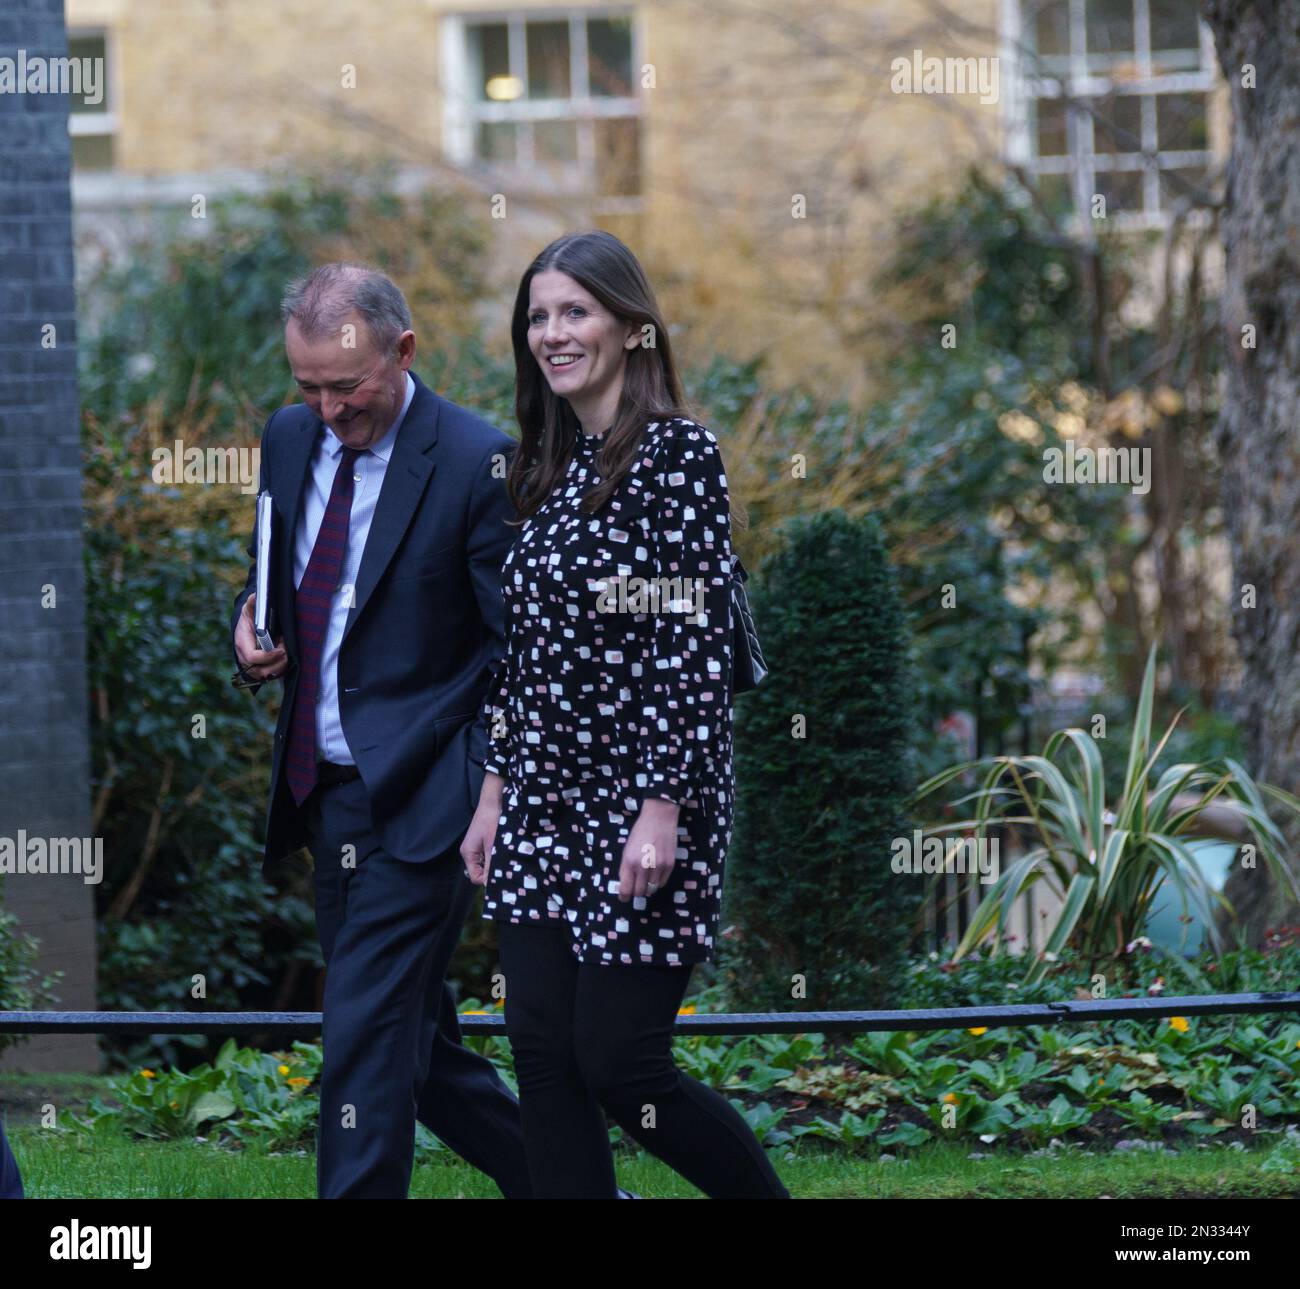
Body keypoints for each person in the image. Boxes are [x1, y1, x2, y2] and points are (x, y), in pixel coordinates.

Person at [461, 230, 791, 1199]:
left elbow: (686, 645)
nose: (552, 332)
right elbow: (519, 657)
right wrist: (491, 788)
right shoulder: (542, 471)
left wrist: (661, 806)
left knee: (619, 1060)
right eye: (537, 315)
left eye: (574, 311)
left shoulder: (675, 456)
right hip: (537, 800)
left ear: (630, 327)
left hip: (640, 794)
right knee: (544, 1059)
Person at [230, 263, 532, 1200]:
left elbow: (517, 648)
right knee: (415, 1041)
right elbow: (273, 574)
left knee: (360, 1026)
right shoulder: (288, 438)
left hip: (427, 797)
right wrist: (247, 625)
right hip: (326, 796)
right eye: (307, 386)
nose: (326, 409)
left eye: (346, 386)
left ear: (402, 351)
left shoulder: (480, 460)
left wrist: (488, 785)